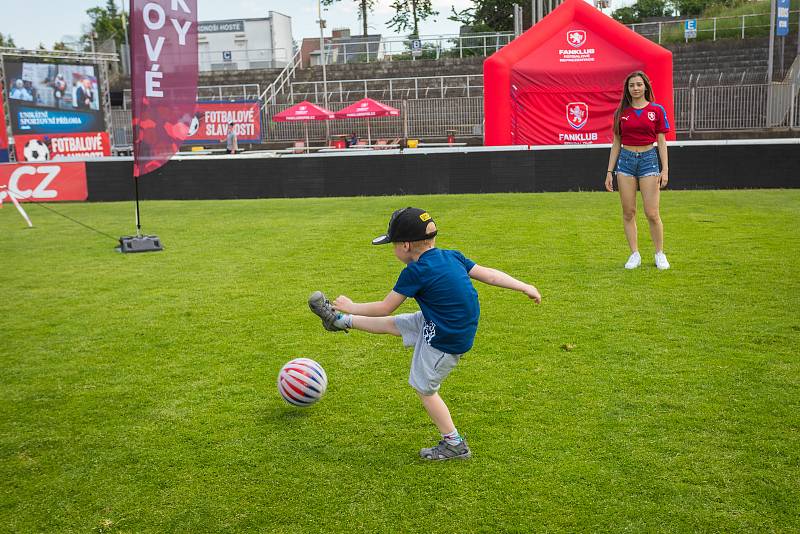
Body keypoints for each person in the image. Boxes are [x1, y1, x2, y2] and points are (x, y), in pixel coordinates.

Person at [308, 207, 541, 461]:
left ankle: (454, 444)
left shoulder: (415, 271)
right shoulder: (452, 256)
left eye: (393, 244)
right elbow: (491, 276)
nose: (393, 249)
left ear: (405, 245)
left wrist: (352, 304)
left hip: (446, 338)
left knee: (424, 388)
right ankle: (340, 321)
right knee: (396, 324)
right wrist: (524, 286)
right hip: (447, 322)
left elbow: (384, 306)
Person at [605, 70, 671, 270]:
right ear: (627, 89)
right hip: (625, 162)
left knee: (652, 212)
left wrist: (665, 169)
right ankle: (635, 254)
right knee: (628, 212)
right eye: (632, 85)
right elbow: (616, 142)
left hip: (649, 160)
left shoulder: (657, 110)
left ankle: (660, 253)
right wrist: (609, 171)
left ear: (645, 87)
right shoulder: (621, 113)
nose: (635, 88)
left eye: (639, 84)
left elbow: (661, 141)